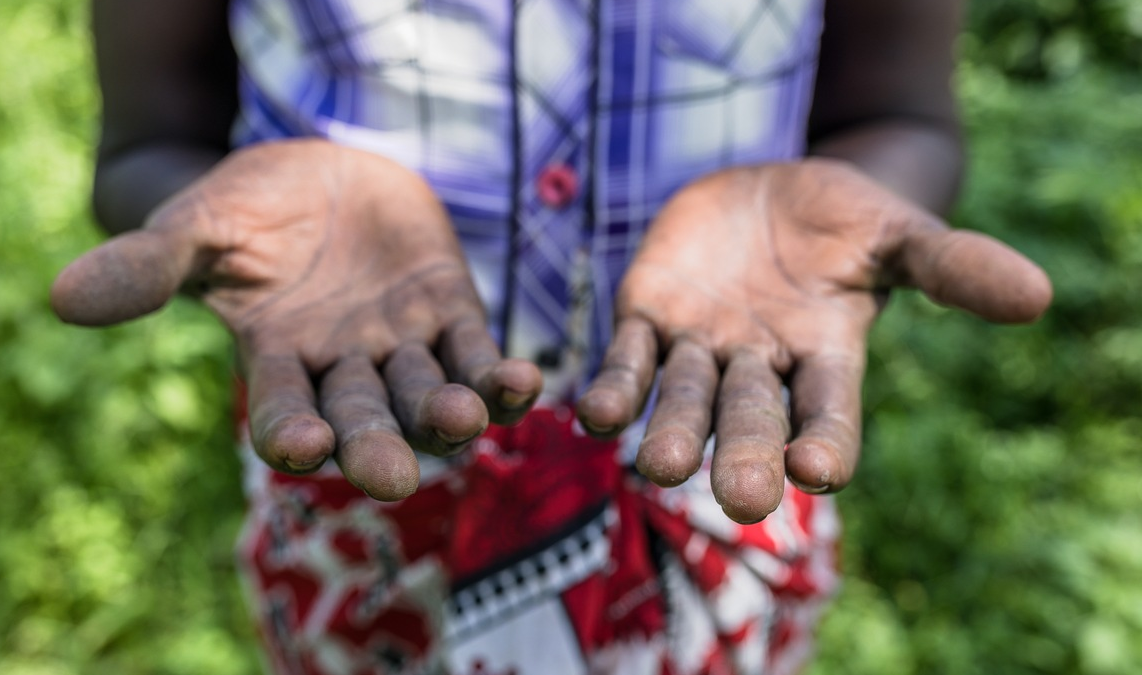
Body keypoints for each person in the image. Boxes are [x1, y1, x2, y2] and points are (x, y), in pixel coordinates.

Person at [51, 0, 1052, 673]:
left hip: (720, 460)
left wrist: (844, 212)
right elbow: (149, 143)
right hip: (359, 473)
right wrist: (246, 224)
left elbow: (899, 113)